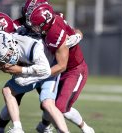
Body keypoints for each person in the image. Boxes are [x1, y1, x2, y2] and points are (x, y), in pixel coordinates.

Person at [26, 3, 95, 133]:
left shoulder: (54, 34)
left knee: (62, 108)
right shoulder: (56, 19)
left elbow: (62, 66)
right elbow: (76, 30)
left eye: (36, 25)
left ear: (44, 24)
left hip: (74, 71)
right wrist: (78, 35)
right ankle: (44, 125)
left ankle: (86, 129)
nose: (33, 28)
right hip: (60, 68)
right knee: (48, 103)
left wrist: (36, 75)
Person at [0, 30, 71, 133]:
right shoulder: (11, 40)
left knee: (47, 103)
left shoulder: (30, 47)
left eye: (8, 53)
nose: (8, 57)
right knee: (7, 90)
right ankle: (17, 128)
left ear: (12, 43)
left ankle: (71, 130)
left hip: (50, 71)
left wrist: (21, 71)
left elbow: (45, 71)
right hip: (33, 71)